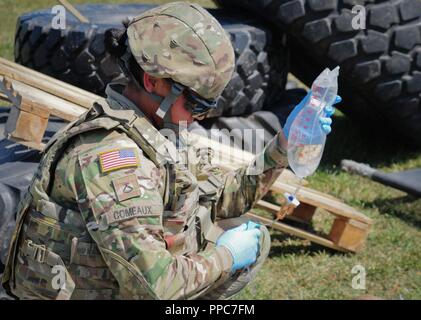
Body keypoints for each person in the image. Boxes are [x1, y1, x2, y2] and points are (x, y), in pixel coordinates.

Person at [2, 2, 339, 300]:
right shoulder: (113, 162)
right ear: (153, 82)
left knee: (244, 234)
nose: (199, 116)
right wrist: (225, 258)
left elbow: (217, 200)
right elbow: (156, 287)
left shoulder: (155, 129)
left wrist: (283, 145)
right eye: (195, 103)